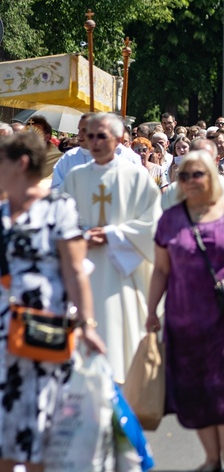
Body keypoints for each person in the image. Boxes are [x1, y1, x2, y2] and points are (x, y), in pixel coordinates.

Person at [146, 150, 224, 472]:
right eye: (184, 176)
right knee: (194, 386)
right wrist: (150, 311)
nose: (189, 181)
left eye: (197, 174)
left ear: (212, 177)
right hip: (184, 317)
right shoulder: (170, 219)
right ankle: (211, 458)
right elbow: (160, 270)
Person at [0, 133, 105, 470]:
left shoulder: (59, 207)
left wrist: (87, 324)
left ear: (21, 164)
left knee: (40, 426)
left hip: (43, 330)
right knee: (3, 430)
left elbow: (75, 271)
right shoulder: (1, 211)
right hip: (2, 333)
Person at [61, 112, 162, 382]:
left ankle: (123, 391)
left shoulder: (136, 176)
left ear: (118, 139)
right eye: (90, 136)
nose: (94, 142)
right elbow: (59, 219)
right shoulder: (75, 177)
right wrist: (81, 236)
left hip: (123, 271)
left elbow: (153, 223)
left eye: (101, 137)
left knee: (120, 344)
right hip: (84, 268)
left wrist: (112, 234)